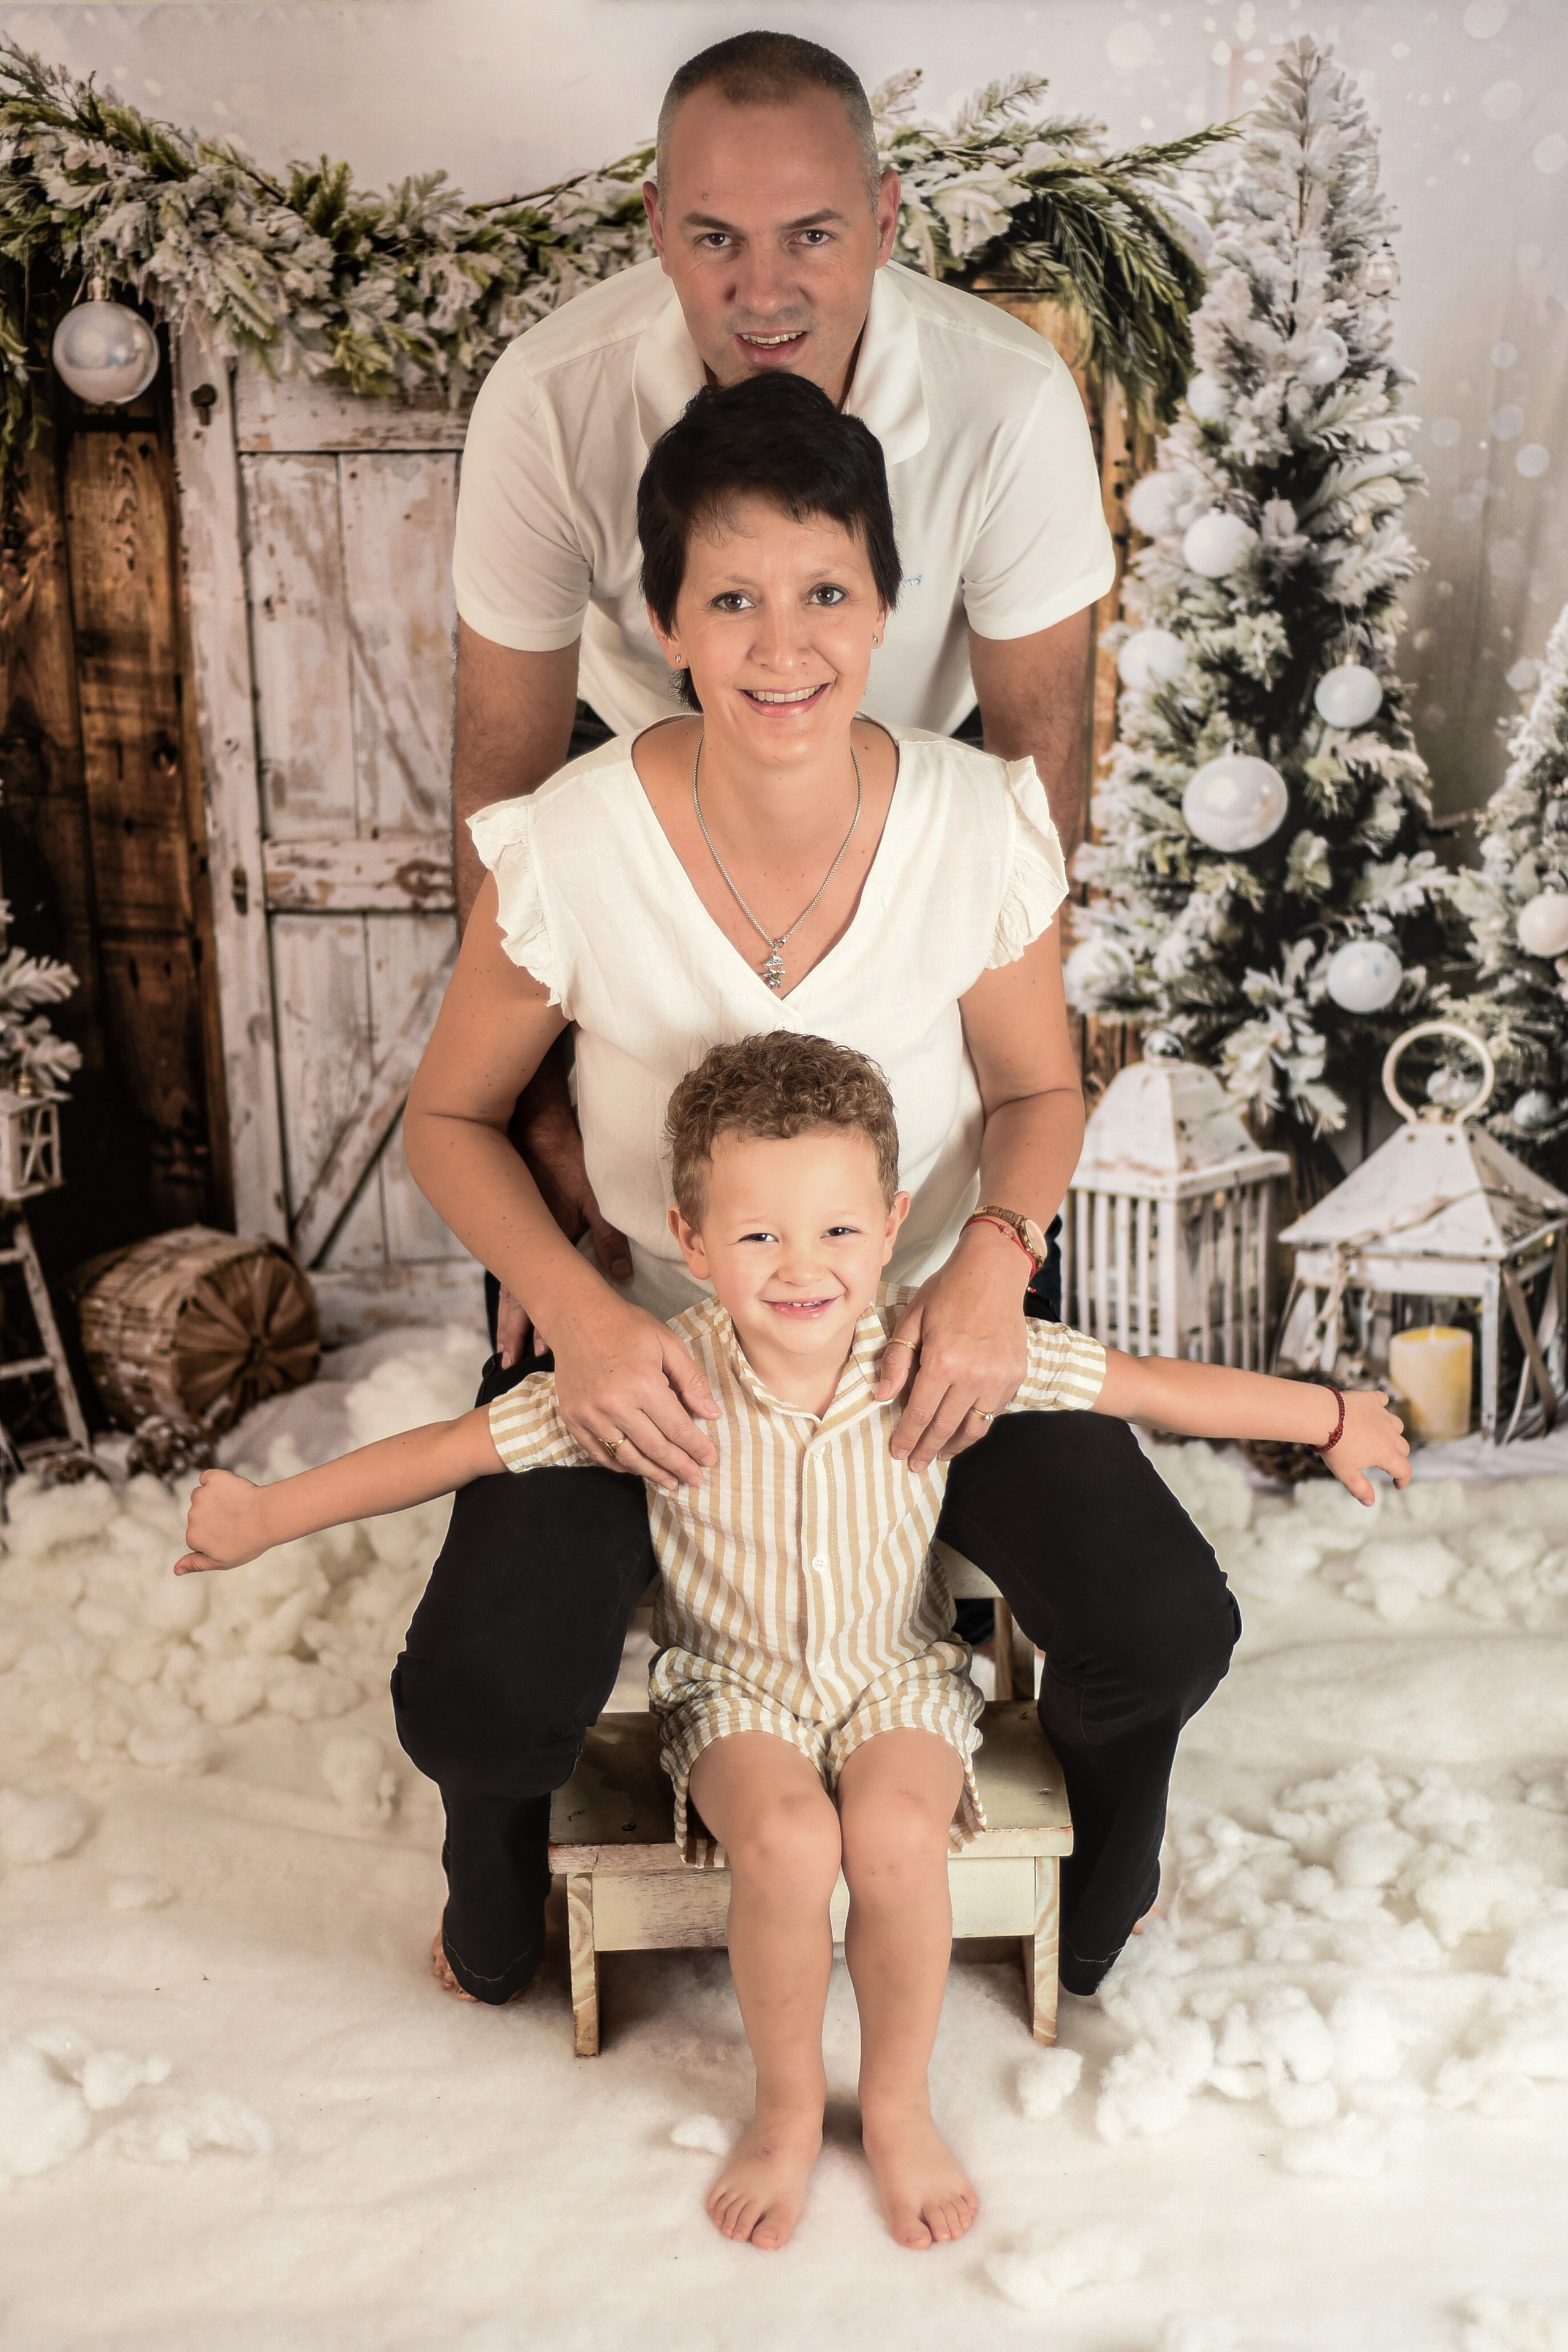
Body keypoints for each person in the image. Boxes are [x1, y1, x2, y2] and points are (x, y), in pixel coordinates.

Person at [177, 1033, 1409, 2256]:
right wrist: (264, 1513)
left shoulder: (943, 1353)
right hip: (738, 1690)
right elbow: (453, 1454)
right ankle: (778, 2111)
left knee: (890, 1833)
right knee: (781, 1838)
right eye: (757, 1236)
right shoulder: (652, 1378)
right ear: (692, 1240)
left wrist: (1334, 1414)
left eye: (833, 1230)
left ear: (892, 1220)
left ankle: (895, 2105)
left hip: (896, 1682)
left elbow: (1152, 1387)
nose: (799, 1267)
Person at [393, 364, 1234, 2018]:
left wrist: (994, 1263)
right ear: (667, 620)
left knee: (1162, 1622)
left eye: (827, 591)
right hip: (648, 1326)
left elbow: (1035, 1087)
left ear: (887, 603)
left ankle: (1109, 1856)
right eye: (735, 597)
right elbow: (453, 1118)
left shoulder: (969, 819)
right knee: (483, 1689)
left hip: (918, 1321)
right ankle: (490, 1886)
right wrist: (571, 1309)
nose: (786, 643)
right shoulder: (568, 843)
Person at [450, 28, 1115, 1346]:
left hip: (913, 816)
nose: (764, 292)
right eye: (714, 240)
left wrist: (1001, 1140)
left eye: (811, 235)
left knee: (977, 1402)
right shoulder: (546, 399)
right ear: (652, 225)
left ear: (882, 215)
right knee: (562, 1459)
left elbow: (1042, 758)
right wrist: (533, 1120)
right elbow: (500, 761)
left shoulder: (1006, 400)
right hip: (646, 822)